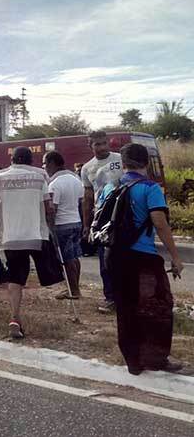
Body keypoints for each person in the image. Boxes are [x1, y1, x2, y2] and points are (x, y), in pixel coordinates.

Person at [103, 143, 184, 375]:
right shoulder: (150, 188)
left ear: (125, 163)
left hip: (114, 256)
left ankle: (133, 361)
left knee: (125, 307)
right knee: (157, 306)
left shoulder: (111, 187)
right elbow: (159, 222)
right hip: (142, 257)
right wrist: (175, 257)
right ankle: (157, 359)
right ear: (146, 163)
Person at [0, 147, 58, 339]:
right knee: (50, 269)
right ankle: (64, 290)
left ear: (12, 160)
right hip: (36, 234)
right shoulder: (39, 178)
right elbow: (48, 207)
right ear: (30, 161)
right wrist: (50, 226)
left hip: (11, 236)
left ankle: (15, 316)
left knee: (15, 277)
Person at [81, 131, 122, 313]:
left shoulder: (121, 159)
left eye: (104, 143)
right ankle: (110, 298)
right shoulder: (87, 168)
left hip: (124, 214)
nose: (102, 147)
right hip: (102, 219)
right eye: (97, 144)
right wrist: (86, 225)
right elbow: (88, 198)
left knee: (128, 259)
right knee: (106, 262)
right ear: (90, 146)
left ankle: (130, 298)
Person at [44, 151, 84, 299]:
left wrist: (50, 227)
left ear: (51, 163)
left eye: (45, 164)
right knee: (75, 256)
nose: (45, 167)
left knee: (67, 259)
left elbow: (52, 209)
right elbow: (80, 201)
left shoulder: (55, 184)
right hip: (75, 221)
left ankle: (73, 290)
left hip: (62, 224)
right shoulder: (75, 180)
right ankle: (75, 287)